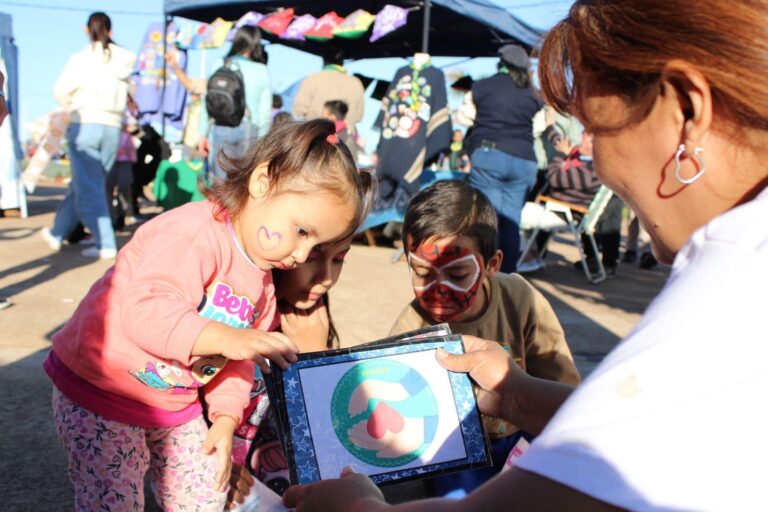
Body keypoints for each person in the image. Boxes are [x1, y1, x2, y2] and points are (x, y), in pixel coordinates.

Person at [282, 0, 768, 509]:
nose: (596, 163)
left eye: (596, 126)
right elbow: (660, 432)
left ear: (686, 110)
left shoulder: (736, 281)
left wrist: (360, 507)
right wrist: (515, 393)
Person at [44, 119, 372, 510]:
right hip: (101, 390)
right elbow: (146, 312)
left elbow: (237, 362)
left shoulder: (264, 280)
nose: (302, 256)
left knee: (204, 498)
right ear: (263, 182)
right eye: (302, 232)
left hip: (174, 404)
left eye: (316, 243)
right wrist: (232, 338)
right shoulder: (194, 232)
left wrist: (225, 417)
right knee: (113, 501)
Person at [389, 180, 580, 496]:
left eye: (458, 274)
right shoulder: (411, 328)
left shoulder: (522, 299)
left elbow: (562, 384)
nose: (439, 289)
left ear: (492, 265)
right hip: (458, 452)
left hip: (526, 433)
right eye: (423, 273)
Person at [225, 235, 362, 506]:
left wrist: (316, 356)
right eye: (312, 258)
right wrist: (215, 464)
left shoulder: (312, 323)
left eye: (338, 259)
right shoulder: (230, 322)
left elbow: (331, 439)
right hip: (221, 475)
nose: (326, 277)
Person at [41, 12, 136, 259]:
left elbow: (59, 91)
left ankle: (105, 242)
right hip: (112, 128)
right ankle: (58, 232)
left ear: (86, 30)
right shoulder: (124, 59)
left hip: (86, 125)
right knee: (87, 184)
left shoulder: (81, 59)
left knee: (89, 187)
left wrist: (73, 104)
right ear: (111, 31)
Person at [463, 44, 543, 273]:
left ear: (501, 63)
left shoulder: (482, 87)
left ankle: (485, 275)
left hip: (490, 156)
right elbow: (540, 126)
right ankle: (507, 279)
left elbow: (465, 116)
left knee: (488, 220)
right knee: (511, 223)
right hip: (524, 160)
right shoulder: (534, 93)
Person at [198, 26, 272, 182]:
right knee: (241, 183)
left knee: (219, 180)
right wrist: (263, 143)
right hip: (249, 129)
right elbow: (265, 113)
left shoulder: (220, 64)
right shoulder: (261, 70)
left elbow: (207, 100)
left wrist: (202, 134)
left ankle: (218, 207)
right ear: (255, 44)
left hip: (220, 126)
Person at [292, 48, 364, 135]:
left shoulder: (313, 78)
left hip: (314, 136)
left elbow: (298, 110)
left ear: (324, 60)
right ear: (342, 62)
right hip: (343, 140)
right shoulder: (356, 83)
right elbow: (358, 117)